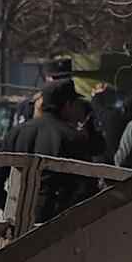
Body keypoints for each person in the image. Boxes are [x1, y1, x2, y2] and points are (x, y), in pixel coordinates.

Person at [11, 79, 101, 223]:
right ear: (67, 106)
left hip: (17, 213)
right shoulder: (70, 136)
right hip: (55, 218)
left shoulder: (16, 132)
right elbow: (86, 184)